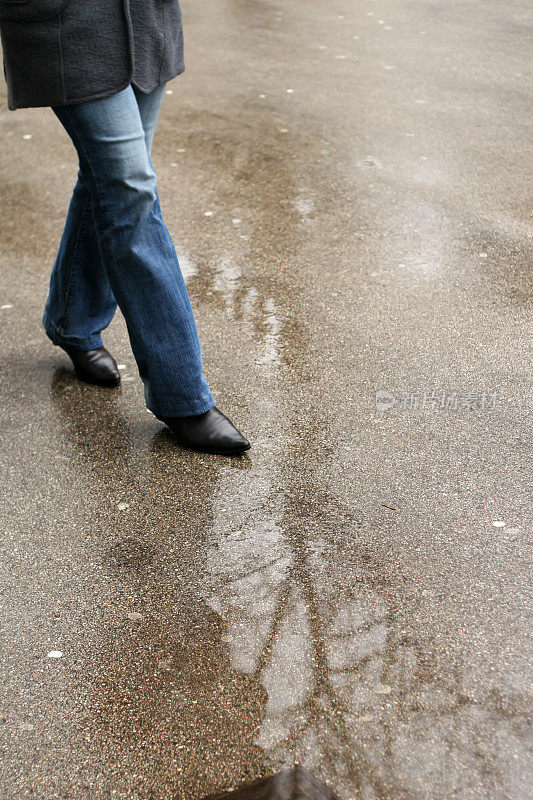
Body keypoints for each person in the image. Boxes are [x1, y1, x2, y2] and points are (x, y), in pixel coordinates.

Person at [0, 0, 250, 456]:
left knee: (110, 180)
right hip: (68, 24)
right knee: (130, 188)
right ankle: (183, 397)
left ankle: (72, 321)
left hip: (145, 22)